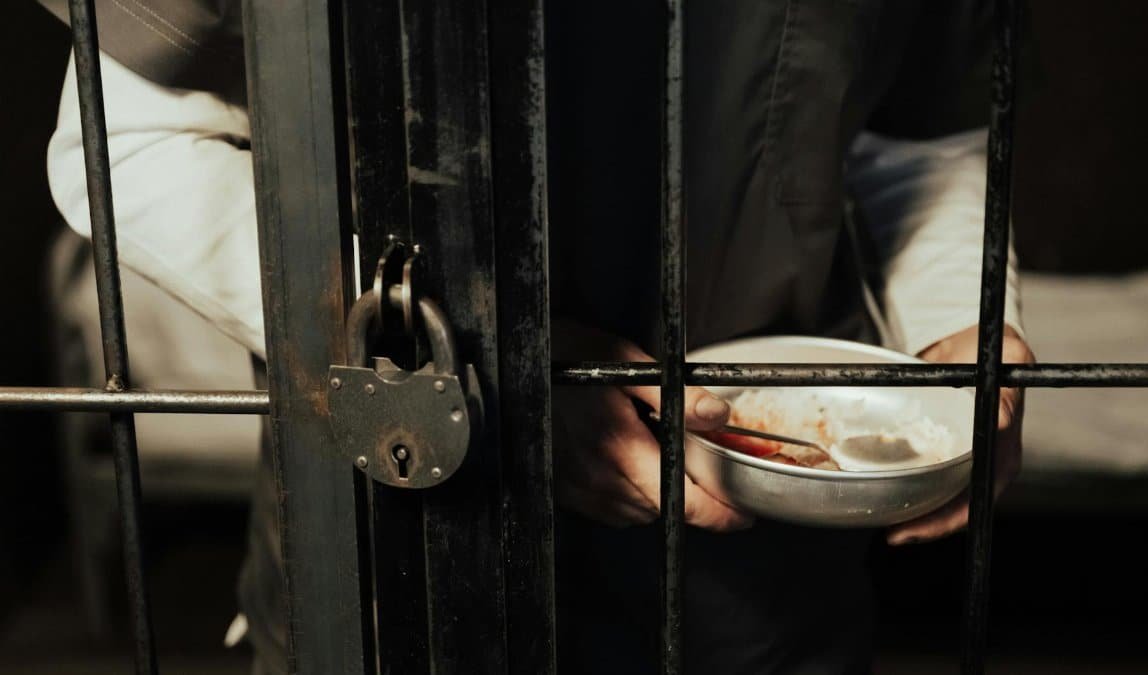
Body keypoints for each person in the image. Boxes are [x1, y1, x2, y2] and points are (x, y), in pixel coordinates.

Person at [41, 0, 1034, 672]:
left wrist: (965, 322)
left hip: (764, 591)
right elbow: (125, 145)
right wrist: (474, 364)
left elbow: (919, 134)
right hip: (398, 565)